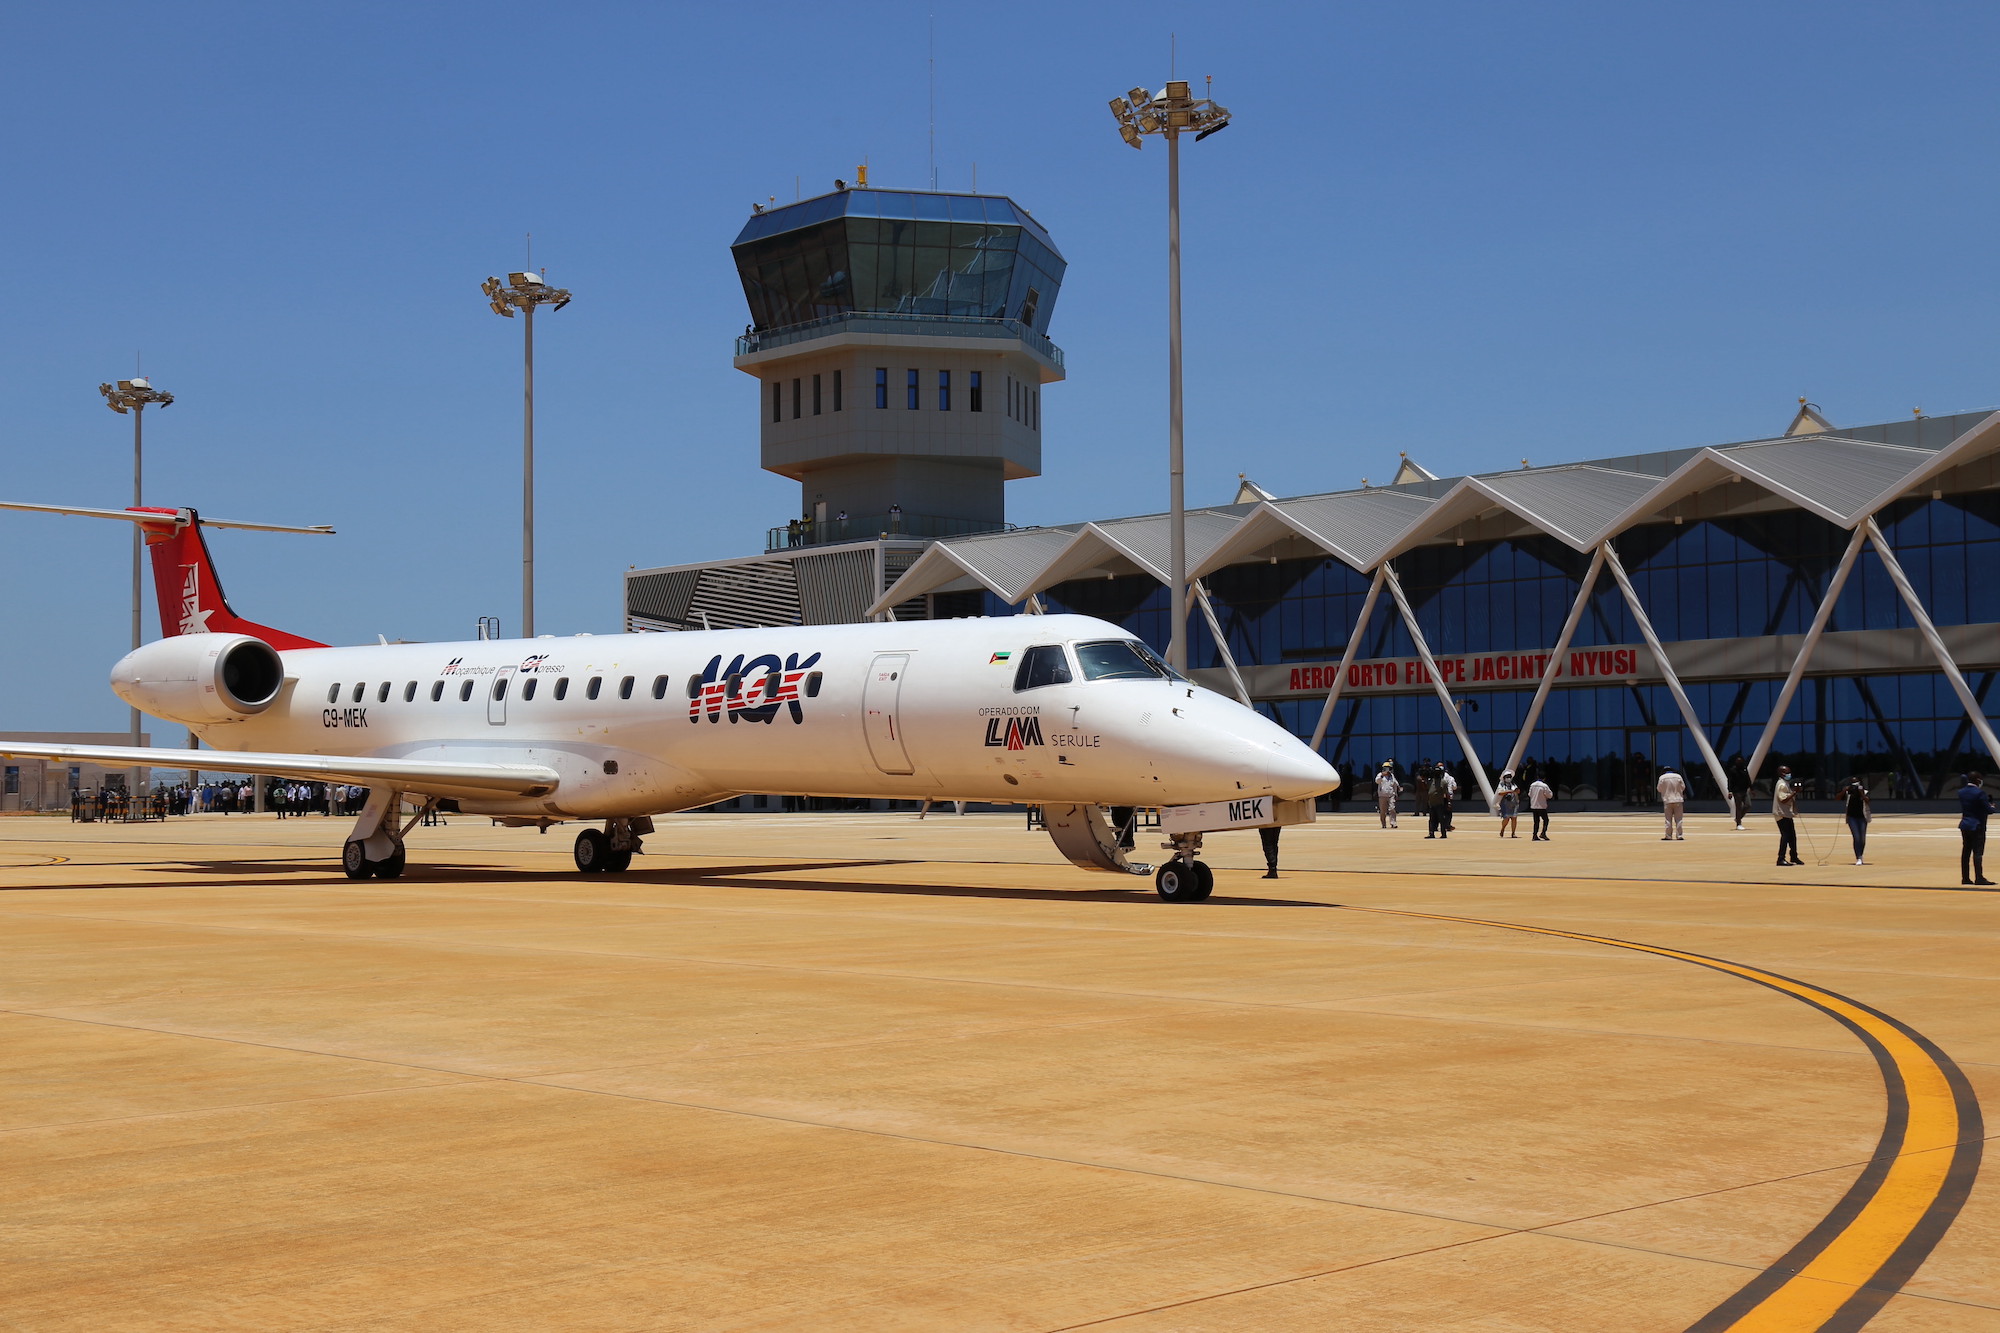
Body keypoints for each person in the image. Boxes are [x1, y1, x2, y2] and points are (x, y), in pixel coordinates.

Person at [1958, 772, 1994, 886]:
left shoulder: (1961, 792)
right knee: (1978, 852)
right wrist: (1992, 807)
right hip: (1977, 825)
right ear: (1978, 780)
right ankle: (1979, 877)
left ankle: (1965, 878)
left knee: (1966, 852)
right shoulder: (1980, 793)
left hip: (1965, 825)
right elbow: (1988, 809)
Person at [1773, 765, 1803, 866]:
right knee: (1785, 836)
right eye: (1787, 772)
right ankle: (1781, 858)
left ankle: (1794, 856)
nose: (1789, 774)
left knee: (1792, 836)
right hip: (1781, 814)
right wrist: (1794, 792)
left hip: (1786, 813)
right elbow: (1783, 799)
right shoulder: (1781, 784)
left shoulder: (1785, 783)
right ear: (1782, 774)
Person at [1841, 777, 1871, 865]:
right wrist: (1844, 791)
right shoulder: (1849, 793)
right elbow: (1837, 798)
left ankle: (1861, 855)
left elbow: (1867, 801)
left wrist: (1861, 793)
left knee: (1862, 839)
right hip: (1852, 817)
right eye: (1853, 783)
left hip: (1862, 817)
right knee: (1856, 837)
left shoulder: (1865, 792)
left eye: (1856, 783)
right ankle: (1858, 857)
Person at [1656, 765, 1687, 840]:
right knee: (1679, 819)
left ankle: (1668, 836)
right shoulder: (1678, 776)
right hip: (1678, 800)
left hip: (1667, 800)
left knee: (1668, 819)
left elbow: (1659, 789)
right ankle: (1679, 836)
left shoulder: (1662, 778)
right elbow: (1683, 787)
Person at [1427, 765, 1455, 839]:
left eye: (1438, 772)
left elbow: (1447, 793)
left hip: (1439, 804)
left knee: (1441, 819)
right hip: (1432, 803)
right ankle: (1431, 833)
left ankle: (1443, 834)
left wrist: (1449, 802)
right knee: (1431, 820)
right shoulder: (1430, 781)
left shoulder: (1443, 782)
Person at [1374, 761, 1401, 829]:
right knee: (1383, 811)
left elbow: (1395, 784)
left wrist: (1396, 793)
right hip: (1382, 796)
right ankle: (1383, 824)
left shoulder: (1392, 776)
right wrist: (1382, 775)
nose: (1387, 770)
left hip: (1391, 795)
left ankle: (1393, 823)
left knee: (1392, 808)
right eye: (1385, 768)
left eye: (1388, 768)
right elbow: (1377, 781)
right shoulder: (1380, 775)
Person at [1728, 757, 1752, 829]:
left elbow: (1748, 779)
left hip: (1744, 790)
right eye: (1738, 762)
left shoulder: (1744, 769)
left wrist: (1752, 788)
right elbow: (1730, 781)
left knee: (1748, 805)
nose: (1740, 764)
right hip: (1736, 791)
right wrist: (1730, 791)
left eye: (1741, 762)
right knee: (1738, 807)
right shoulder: (1733, 770)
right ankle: (1739, 824)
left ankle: (1738, 818)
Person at [1495, 770, 1520, 838]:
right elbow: (1500, 793)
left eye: (1510, 777)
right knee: (1506, 818)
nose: (1509, 778)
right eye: (1507, 777)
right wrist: (1509, 791)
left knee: (1514, 818)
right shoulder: (1502, 784)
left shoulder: (1513, 784)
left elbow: (1517, 791)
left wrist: (1516, 791)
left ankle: (1513, 833)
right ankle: (1503, 828)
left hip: (1514, 802)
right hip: (1505, 803)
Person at [1528, 773, 1553, 840]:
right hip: (1541, 806)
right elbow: (1549, 795)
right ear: (1544, 778)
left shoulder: (1532, 785)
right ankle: (1543, 833)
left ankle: (1534, 835)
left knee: (1536, 821)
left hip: (1534, 805)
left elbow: (1530, 794)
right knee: (1546, 820)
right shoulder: (1544, 786)